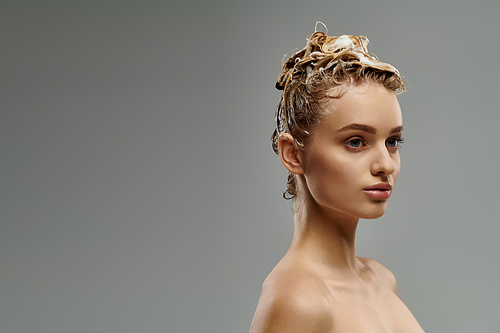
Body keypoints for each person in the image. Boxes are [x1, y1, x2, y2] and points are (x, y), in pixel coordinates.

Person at [249, 27, 425, 332]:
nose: (385, 164)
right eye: (355, 142)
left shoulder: (382, 280)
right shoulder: (297, 300)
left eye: (392, 141)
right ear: (292, 154)